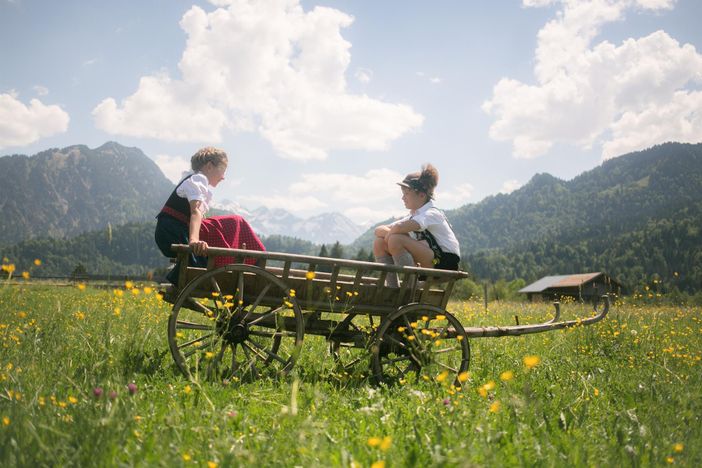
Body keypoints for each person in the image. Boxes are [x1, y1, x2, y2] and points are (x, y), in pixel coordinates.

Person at [154, 147, 265, 284]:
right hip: (174, 230)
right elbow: (196, 211)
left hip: (170, 229)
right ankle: (249, 264)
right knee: (236, 221)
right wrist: (194, 240)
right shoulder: (198, 179)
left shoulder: (194, 180)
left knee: (232, 222)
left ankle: (234, 264)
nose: (224, 177)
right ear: (209, 166)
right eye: (223, 170)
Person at [373, 164, 460, 287]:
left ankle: (410, 289)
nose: (403, 198)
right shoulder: (413, 216)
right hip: (431, 258)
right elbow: (378, 230)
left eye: (407, 193)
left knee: (396, 239)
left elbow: (399, 228)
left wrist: (393, 234)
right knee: (379, 242)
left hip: (446, 262)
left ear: (421, 195)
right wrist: (390, 234)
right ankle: (392, 288)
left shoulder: (432, 213)